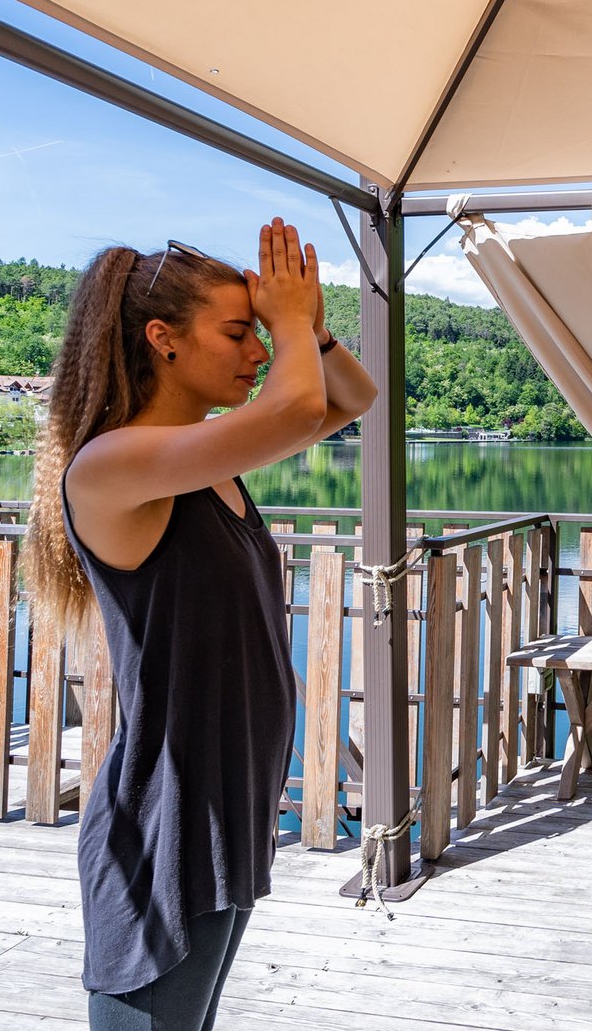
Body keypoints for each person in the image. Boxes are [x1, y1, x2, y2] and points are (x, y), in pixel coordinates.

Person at [21, 219, 377, 1030]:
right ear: (163, 340)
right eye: (237, 333)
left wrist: (308, 328)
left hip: (226, 813)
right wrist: (286, 321)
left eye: (260, 336)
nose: (258, 353)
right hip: (164, 831)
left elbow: (347, 399)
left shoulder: (202, 463)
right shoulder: (114, 464)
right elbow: (296, 409)